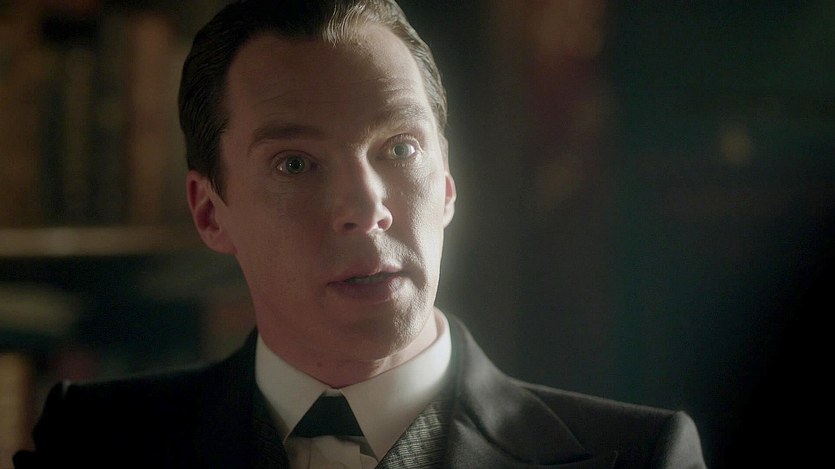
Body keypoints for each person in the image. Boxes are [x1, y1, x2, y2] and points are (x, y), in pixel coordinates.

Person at [15, 0, 706, 467]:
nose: (366, 207)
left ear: (447, 184)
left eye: (400, 149)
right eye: (294, 163)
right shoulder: (93, 443)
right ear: (209, 212)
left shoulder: (638, 457)